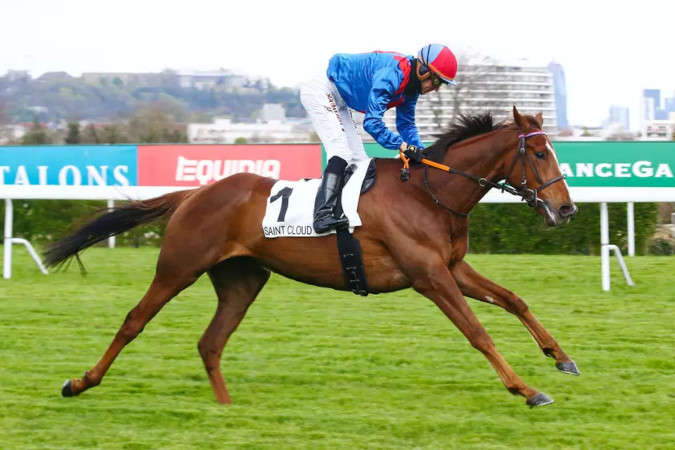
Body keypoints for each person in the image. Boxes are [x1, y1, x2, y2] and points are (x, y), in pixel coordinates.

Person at [300, 43, 458, 233]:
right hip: (322, 91)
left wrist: (422, 152)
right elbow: (372, 123)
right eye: (437, 81)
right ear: (423, 71)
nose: (436, 89)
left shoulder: (411, 89)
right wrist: (402, 145)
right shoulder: (393, 74)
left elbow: (406, 125)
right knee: (341, 152)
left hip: (341, 100)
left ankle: (345, 212)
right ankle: (322, 214)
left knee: (359, 162)